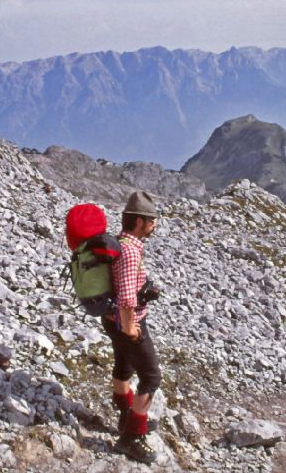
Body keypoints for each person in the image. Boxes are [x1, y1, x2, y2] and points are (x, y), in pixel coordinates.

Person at [103, 190, 162, 464]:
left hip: (112, 319)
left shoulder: (120, 244)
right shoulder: (129, 250)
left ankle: (126, 416)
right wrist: (131, 329)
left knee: (124, 366)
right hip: (127, 322)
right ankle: (132, 437)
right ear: (139, 222)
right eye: (151, 220)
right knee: (151, 377)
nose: (154, 225)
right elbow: (127, 296)